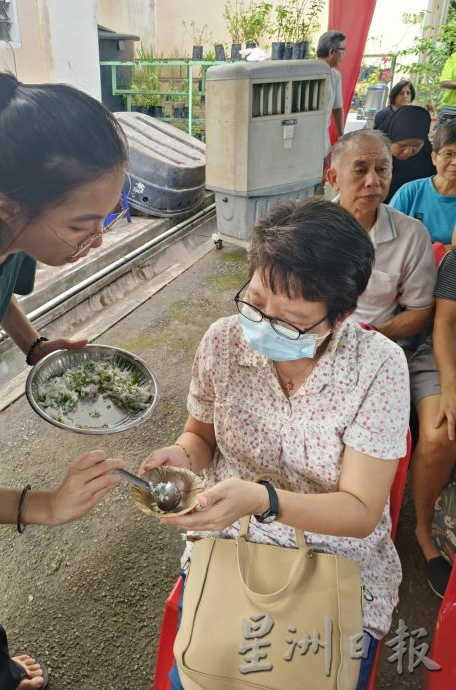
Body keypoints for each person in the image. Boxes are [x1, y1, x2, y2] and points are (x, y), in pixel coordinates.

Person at [0, 68, 129, 690]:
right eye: (82, 224)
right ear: (8, 206)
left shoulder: (3, 232)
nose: (97, 238)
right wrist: (42, 506)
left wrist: (35, 344)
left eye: (107, 217)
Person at [142, 199, 410, 690]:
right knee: (201, 672)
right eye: (256, 302)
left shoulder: (378, 367)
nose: (263, 325)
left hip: (337, 560)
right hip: (230, 543)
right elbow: (200, 435)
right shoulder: (222, 341)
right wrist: (181, 459)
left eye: (291, 320)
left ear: (342, 314)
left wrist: (263, 501)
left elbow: (360, 511)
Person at [326, 129, 436, 342]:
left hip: (373, 344)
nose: (373, 181)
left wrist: (365, 337)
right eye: (360, 170)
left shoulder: (412, 235)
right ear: (334, 178)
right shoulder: (308, 228)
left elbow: (420, 310)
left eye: (382, 169)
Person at [409, 248, 456, 597]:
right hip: (446, 360)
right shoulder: (455, 261)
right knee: (440, 433)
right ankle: (424, 531)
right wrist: (451, 386)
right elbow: (444, 324)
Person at [390, 119, 456, 246]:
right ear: (434, 157)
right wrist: (444, 250)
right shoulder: (410, 192)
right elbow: (388, 235)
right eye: (449, 154)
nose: (455, 162)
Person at [379, 104, 436, 202]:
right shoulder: (373, 154)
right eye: (402, 145)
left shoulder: (430, 157)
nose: (408, 151)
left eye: (416, 146)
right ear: (390, 138)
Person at [316, 30, 346, 166]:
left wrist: (342, 136)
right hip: (301, 144)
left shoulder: (335, 76)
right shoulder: (306, 73)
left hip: (322, 144)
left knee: (319, 181)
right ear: (331, 51)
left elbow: (337, 108)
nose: (344, 55)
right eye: (342, 50)